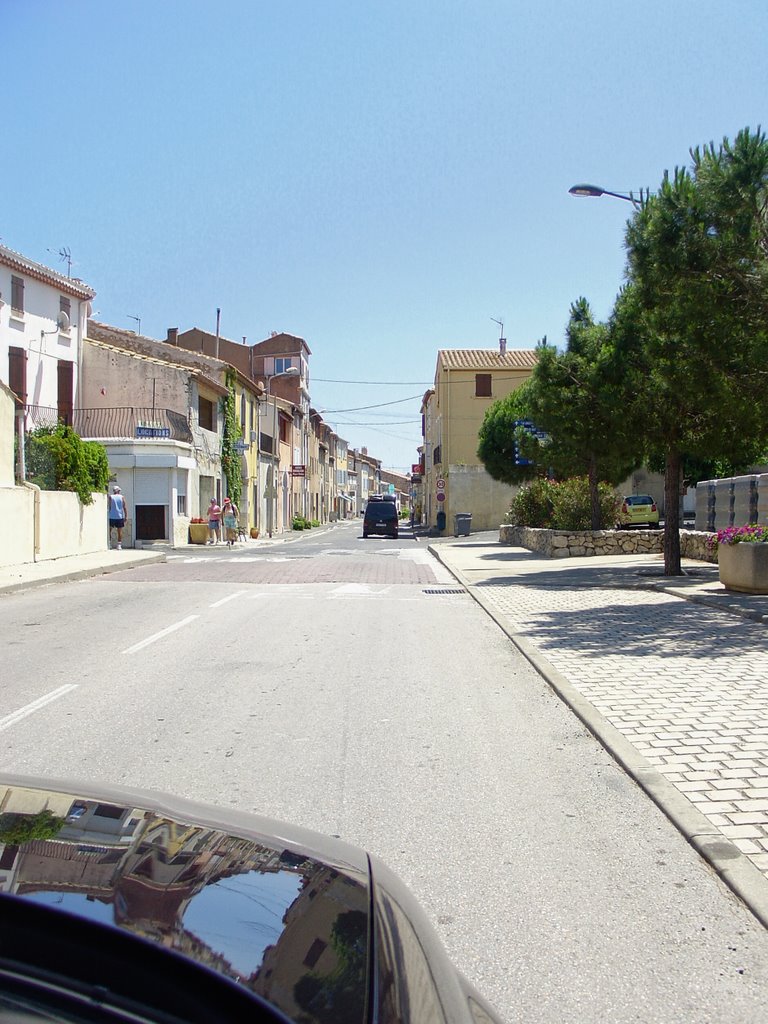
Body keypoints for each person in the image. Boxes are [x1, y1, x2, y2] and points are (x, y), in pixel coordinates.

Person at [108, 486, 127, 550]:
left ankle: (109, 544)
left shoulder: (111, 497)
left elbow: (109, 506)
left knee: (109, 530)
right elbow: (124, 507)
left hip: (112, 516)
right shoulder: (122, 497)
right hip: (119, 516)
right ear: (118, 491)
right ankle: (119, 545)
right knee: (119, 531)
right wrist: (126, 516)